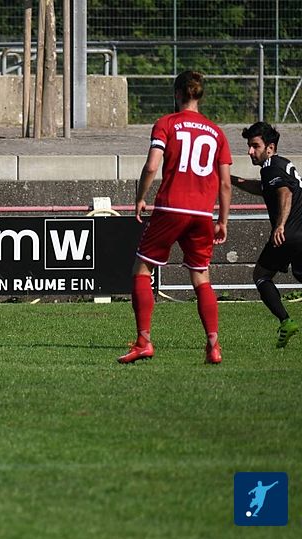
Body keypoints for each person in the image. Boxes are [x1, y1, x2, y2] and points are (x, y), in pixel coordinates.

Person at [119, 70, 232, 365]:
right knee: (201, 276)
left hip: (171, 208)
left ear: (178, 93)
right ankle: (213, 346)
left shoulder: (166, 123)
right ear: (200, 95)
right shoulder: (216, 132)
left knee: (142, 268)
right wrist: (222, 220)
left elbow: (151, 165)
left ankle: (143, 342)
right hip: (202, 213)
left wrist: (140, 197)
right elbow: (225, 183)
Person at [232, 122, 302, 348]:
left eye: (255, 146)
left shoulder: (270, 167)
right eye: (249, 146)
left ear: (270, 147)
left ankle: (286, 321)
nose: (250, 151)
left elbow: (285, 193)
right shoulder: (281, 164)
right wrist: (231, 179)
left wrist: (280, 226)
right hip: (299, 233)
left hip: (288, 235)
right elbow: (261, 188)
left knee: (261, 275)